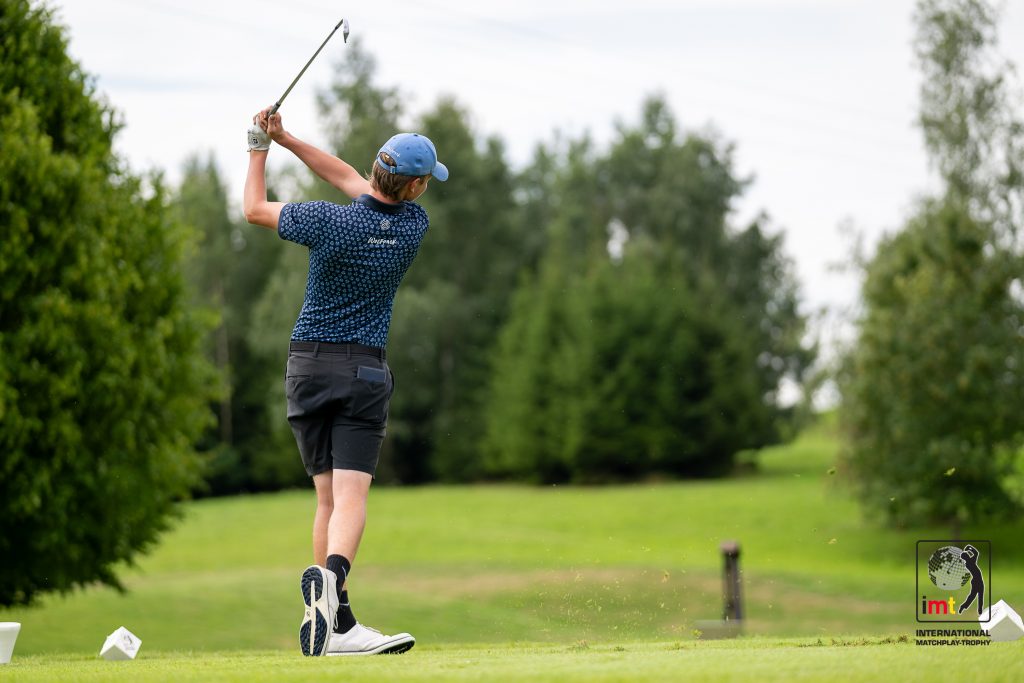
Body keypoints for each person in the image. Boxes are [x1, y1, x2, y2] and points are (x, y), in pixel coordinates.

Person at [243, 108, 448, 656]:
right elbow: (349, 179)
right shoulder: (412, 225)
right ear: (414, 186)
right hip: (362, 371)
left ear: (378, 170)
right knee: (351, 496)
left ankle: (339, 626)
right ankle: (330, 582)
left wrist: (262, 146)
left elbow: (254, 208)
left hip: (306, 367)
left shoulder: (326, 222)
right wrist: (286, 138)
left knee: (327, 499)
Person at [958, 544, 985, 616]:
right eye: (967, 555)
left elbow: (975, 553)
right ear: (966, 557)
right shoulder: (971, 561)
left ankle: (965, 607)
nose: (968, 555)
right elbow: (976, 553)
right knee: (978, 596)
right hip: (977, 581)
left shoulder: (968, 563)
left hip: (976, 580)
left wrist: (968, 549)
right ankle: (979, 611)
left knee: (974, 596)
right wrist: (969, 548)